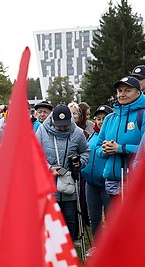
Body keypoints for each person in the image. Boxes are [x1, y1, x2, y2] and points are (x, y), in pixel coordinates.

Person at [36, 104, 90, 240]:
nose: (62, 128)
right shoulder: (42, 131)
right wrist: (48, 167)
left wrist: (80, 162)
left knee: (70, 219)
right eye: (59, 125)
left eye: (65, 125)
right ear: (52, 120)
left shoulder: (77, 132)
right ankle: (52, 251)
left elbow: (85, 152)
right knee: (50, 220)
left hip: (69, 183)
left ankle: (69, 249)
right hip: (48, 184)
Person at [96, 76, 145, 199]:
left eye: (127, 90)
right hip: (112, 182)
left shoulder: (143, 115)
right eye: (119, 91)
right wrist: (106, 149)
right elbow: (97, 149)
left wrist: (121, 148)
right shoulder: (109, 118)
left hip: (136, 182)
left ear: (138, 93)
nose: (122, 94)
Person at [81, 104, 113, 256]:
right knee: (94, 218)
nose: (100, 121)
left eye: (104, 118)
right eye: (98, 118)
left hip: (107, 184)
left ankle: (112, 246)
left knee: (111, 218)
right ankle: (98, 246)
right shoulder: (92, 135)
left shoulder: (112, 134)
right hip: (90, 184)